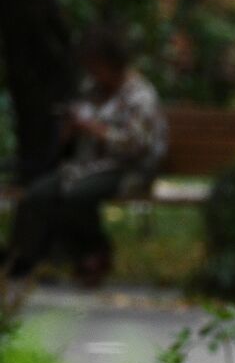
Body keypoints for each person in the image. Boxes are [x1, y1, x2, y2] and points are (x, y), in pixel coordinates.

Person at [5, 25, 166, 284]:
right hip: (86, 164)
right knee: (38, 194)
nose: (91, 72)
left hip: (127, 168)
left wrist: (96, 131)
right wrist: (69, 130)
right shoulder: (91, 89)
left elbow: (138, 146)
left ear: (110, 62)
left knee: (76, 194)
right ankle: (26, 260)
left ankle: (95, 252)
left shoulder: (140, 96)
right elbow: (74, 128)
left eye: (95, 65)